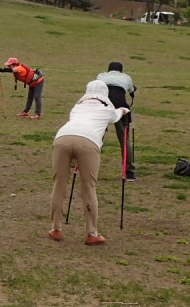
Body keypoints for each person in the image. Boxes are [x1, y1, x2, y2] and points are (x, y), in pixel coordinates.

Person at [48, 80, 128, 244]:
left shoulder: (77, 107)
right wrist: (124, 109)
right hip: (89, 142)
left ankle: (56, 229)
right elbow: (116, 116)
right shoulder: (107, 108)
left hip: (62, 138)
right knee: (88, 187)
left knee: (59, 184)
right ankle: (92, 233)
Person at [95, 61, 136, 179]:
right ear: (121, 70)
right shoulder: (126, 78)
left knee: (96, 136)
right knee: (124, 139)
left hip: (103, 104)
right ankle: (129, 172)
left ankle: (88, 164)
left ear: (108, 70)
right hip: (120, 104)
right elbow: (131, 90)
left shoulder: (101, 76)